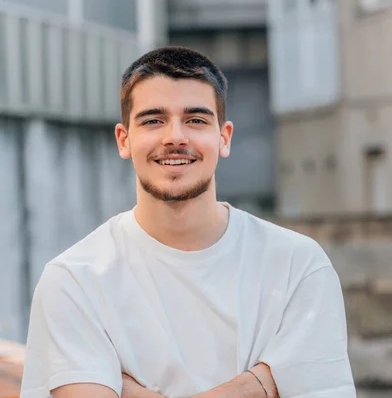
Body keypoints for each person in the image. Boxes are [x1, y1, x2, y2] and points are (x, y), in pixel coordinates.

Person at [19, 47, 356, 398]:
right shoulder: (75, 279)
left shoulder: (297, 266)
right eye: (153, 120)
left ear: (223, 137)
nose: (175, 137)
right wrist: (256, 385)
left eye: (195, 120)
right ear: (124, 140)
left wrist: (129, 391)